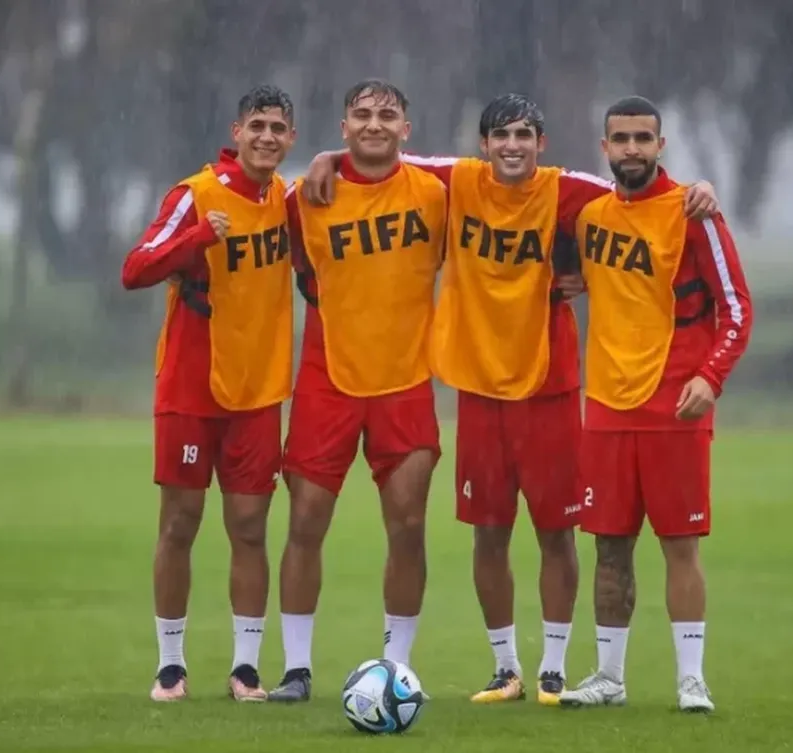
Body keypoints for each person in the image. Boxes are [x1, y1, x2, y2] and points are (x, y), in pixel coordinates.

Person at [302, 93, 720, 706]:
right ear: (484, 145)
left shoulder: (567, 189)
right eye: (501, 135)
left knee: (557, 532)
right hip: (477, 384)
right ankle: (506, 668)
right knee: (489, 533)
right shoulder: (458, 181)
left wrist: (697, 189)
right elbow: (386, 155)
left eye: (524, 135)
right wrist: (329, 157)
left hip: (549, 383)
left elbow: (636, 188)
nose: (513, 145)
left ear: (541, 143)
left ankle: (553, 668)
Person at [557, 96, 753, 713]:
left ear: (660, 145)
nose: (632, 149)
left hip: (676, 408)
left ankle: (691, 680)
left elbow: (737, 308)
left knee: (679, 544)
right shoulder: (589, 215)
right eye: (622, 139)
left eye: (644, 138)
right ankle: (609, 678)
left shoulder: (693, 212)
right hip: (606, 407)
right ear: (605, 148)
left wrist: (711, 379)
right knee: (609, 547)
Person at [266, 79, 447, 703]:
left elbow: (514, 191)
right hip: (328, 378)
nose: (374, 124)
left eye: (387, 115)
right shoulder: (304, 197)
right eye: (362, 115)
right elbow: (275, 255)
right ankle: (296, 670)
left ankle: (397, 669)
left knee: (409, 526)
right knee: (305, 521)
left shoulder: (436, 191)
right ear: (343, 128)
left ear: (406, 129)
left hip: (405, 380)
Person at [120, 85, 296, 702]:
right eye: (257, 126)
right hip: (192, 388)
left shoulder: (287, 201)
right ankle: (171, 665)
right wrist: (196, 239)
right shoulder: (195, 195)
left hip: (258, 390)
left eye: (278, 128)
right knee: (180, 524)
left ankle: (246, 668)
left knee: (249, 527)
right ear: (236, 132)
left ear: (291, 139)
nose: (267, 136)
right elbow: (134, 269)